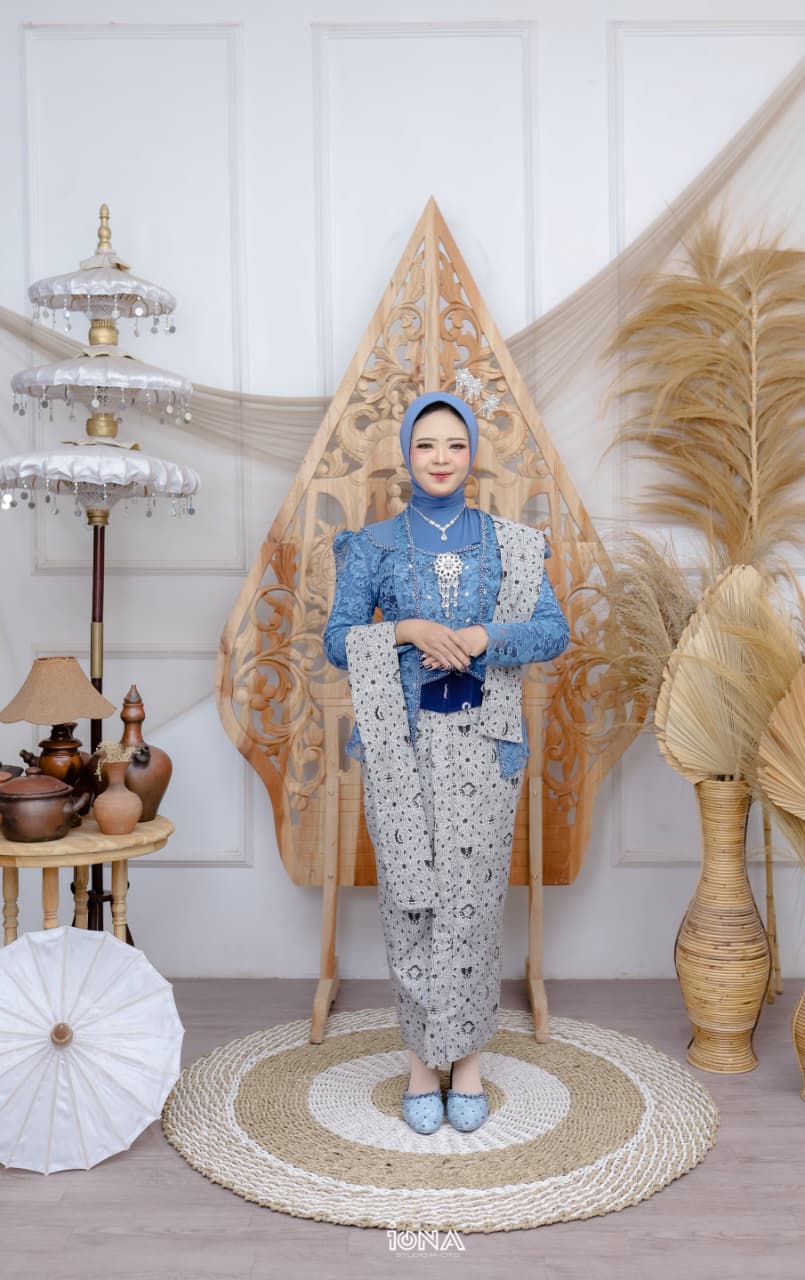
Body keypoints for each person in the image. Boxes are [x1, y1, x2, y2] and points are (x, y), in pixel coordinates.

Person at [323, 388, 570, 1135]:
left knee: (472, 902)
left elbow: (552, 631)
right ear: (406, 453)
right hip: (399, 747)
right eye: (426, 445)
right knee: (411, 902)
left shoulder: (510, 544)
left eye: (454, 445)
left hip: (484, 747)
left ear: (472, 455)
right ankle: (419, 1064)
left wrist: (486, 638)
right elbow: (337, 640)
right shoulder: (373, 545)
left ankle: (466, 1064)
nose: (440, 458)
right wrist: (405, 628)